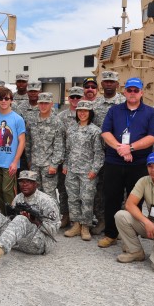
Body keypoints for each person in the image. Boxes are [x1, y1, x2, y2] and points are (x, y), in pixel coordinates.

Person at [99, 77, 154, 248]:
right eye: (129, 90)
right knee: (112, 198)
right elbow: (105, 132)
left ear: (142, 92)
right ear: (124, 92)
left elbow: (153, 136)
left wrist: (131, 148)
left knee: (135, 201)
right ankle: (111, 234)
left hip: (138, 164)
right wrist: (121, 148)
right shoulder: (114, 110)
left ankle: (130, 238)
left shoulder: (150, 112)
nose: (132, 93)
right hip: (114, 162)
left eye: (136, 90)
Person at [63, 100, 104, 241]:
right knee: (73, 198)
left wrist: (95, 169)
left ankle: (86, 226)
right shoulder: (71, 129)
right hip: (72, 170)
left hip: (88, 171)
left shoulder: (95, 131)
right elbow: (68, 150)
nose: (82, 113)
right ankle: (76, 225)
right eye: (80, 110)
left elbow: (99, 153)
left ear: (90, 113)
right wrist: (65, 166)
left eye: (85, 111)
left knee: (86, 199)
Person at [91, 70, 126, 235]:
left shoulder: (124, 103)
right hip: (98, 153)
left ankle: (121, 223)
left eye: (112, 81)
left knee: (120, 190)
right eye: (106, 81)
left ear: (117, 84)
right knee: (99, 188)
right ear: (102, 84)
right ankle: (102, 219)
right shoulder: (95, 105)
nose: (109, 84)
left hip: (119, 153)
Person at [0, 87, 26, 215]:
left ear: (11, 100)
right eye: (1, 98)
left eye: (6, 98)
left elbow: (22, 141)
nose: (4, 101)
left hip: (10, 162)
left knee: (8, 190)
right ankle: (4, 214)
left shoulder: (17, 119)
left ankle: (14, 215)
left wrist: (15, 162)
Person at [25, 92, 64, 203]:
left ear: (51, 104)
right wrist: (29, 161)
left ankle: (53, 219)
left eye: (46, 103)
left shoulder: (57, 122)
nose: (43, 106)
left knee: (49, 195)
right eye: (41, 103)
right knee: (35, 193)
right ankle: (38, 219)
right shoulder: (32, 121)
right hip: (34, 165)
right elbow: (28, 142)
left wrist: (54, 164)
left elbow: (59, 146)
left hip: (49, 165)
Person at [55, 86, 84, 228]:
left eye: (78, 97)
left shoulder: (87, 115)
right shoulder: (61, 116)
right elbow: (58, 139)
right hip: (64, 159)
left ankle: (79, 220)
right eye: (72, 97)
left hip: (82, 160)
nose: (75, 100)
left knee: (80, 192)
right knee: (63, 190)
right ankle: (65, 215)